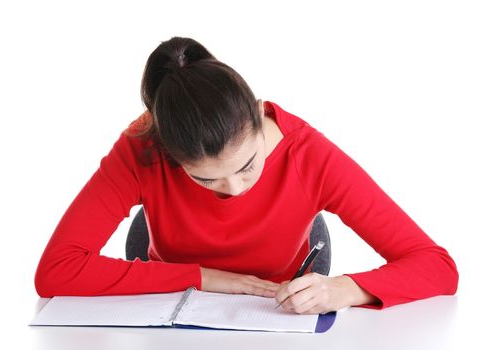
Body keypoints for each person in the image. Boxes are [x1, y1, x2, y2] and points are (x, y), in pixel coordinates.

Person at [34, 36, 458, 315]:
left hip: (273, 300)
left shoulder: (309, 154)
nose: (235, 189)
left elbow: (437, 266)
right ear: (166, 151)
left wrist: (348, 288)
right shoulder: (141, 146)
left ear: (258, 116)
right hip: (175, 291)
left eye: (248, 165)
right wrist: (202, 277)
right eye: (205, 180)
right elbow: (57, 269)